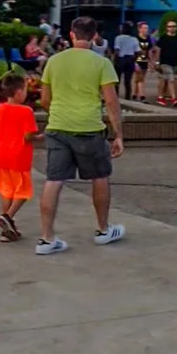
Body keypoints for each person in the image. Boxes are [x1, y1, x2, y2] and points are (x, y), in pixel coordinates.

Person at [37, 17, 126, 254]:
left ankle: (46, 238)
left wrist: (58, 111)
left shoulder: (53, 61)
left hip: (58, 128)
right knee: (100, 176)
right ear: (95, 35)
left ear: (71, 35)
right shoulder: (101, 63)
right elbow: (111, 100)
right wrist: (118, 134)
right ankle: (103, 229)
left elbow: (45, 99)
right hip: (89, 128)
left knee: (53, 180)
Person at [0, 73, 40, 243]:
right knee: (23, 192)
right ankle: (7, 216)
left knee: (7, 192)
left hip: (1, 156)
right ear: (19, 92)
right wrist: (41, 137)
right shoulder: (26, 111)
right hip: (19, 157)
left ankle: (7, 230)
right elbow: (29, 136)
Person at [153, 19, 177, 107]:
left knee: (165, 80)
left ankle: (160, 96)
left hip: (174, 62)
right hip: (165, 62)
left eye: (174, 26)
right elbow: (158, 49)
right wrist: (157, 62)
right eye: (170, 26)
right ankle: (174, 98)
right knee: (171, 79)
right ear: (167, 28)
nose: (172, 28)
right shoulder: (163, 38)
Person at [111, 22, 140, 95]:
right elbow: (137, 51)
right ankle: (127, 97)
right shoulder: (134, 39)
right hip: (130, 60)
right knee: (128, 81)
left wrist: (114, 61)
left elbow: (117, 50)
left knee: (117, 80)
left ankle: (116, 96)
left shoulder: (118, 38)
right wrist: (134, 59)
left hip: (121, 59)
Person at [130, 21, 154, 101]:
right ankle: (142, 97)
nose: (146, 30)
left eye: (147, 28)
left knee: (138, 79)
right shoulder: (135, 39)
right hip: (137, 61)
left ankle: (134, 95)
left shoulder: (148, 39)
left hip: (144, 61)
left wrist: (151, 62)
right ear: (139, 29)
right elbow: (133, 51)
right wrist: (134, 62)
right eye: (144, 28)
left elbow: (149, 51)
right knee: (140, 79)